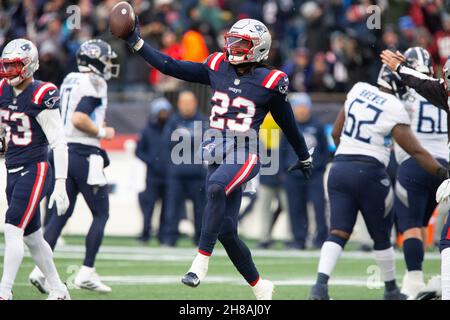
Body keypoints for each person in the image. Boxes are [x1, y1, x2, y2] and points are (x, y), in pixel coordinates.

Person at [114, 17, 312, 300]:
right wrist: (136, 42)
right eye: (232, 39)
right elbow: (170, 66)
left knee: (217, 186)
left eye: (240, 42)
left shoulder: (272, 81)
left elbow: (288, 123)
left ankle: (200, 261)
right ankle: (260, 286)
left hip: (246, 152)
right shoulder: (217, 66)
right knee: (227, 232)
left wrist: (304, 156)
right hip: (217, 152)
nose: (232, 45)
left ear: (257, 48)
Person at [308, 64, 449, 300]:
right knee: (382, 235)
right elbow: (415, 151)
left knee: (338, 231)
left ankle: (319, 286)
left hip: (339, 168)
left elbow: (335, 132)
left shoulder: (358, 89)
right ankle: (392, 289)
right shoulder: (395, 107)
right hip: (370, 171)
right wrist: (443, 173)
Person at [28, 39, 119, 294]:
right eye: (107, 59)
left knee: (60, 213)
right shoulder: (95, 82)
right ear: (95, 60)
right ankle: (87, 272)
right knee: (101, 213)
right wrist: (103, 131)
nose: (110, 64)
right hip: (85, 153)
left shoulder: (70, 78)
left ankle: (39, 270)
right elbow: (80, 118)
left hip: (62, 151)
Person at [0, 38, 70, 300]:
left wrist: (61, 183)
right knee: (32, 238)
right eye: (6, 66)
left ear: (29, 65)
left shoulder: (42, 93)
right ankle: (59, 289)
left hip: (35, 168)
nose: (9, 72)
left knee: (12, 227)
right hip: (13, 168)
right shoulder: (3, 90)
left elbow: (59, 141)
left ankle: (4, 291)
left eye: (14, 65)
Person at [380, 49, 450, 300]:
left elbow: (383, 103)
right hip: (444, 170)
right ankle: (439, 281)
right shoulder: (438, 91)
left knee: (410, 225)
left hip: (415, 164)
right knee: (426, 227)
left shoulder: (407, 96)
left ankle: (413, 280)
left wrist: (395, 72)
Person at [281, 92, 329, 249]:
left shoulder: (318, 126)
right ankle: (299, 240)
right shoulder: (288, 126)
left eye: (303, 107)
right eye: (298, 107)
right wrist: (284, 171)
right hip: (293, 176)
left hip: (313, 175)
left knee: (318, 207)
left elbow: (325, 151)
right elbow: (281, 150)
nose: (301, 110)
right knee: (295, 208)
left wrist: (316, 168)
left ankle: (321, 238)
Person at [160, 90, 207, 246]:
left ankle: (200, 239)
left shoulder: (203, 121)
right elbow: (166, 145)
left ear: (195, 103)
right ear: (178, 104)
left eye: (189, 102)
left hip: (198, 174)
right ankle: (169, 238)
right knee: (172, 208)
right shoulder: (173, 121)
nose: (186, 106)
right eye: (183, 102)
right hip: (177, 174)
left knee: (201, 210)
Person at [135, 97, 172, 244]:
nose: (164, 114)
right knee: (149, 207)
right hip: (152, 176)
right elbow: (139, 151)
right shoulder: (147, 131)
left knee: (166, 208)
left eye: (166, 112)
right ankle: (145, 233)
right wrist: (152, 161)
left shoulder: (172, 129)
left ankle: (162, 235)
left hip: (169, 176)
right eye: (161, 112)